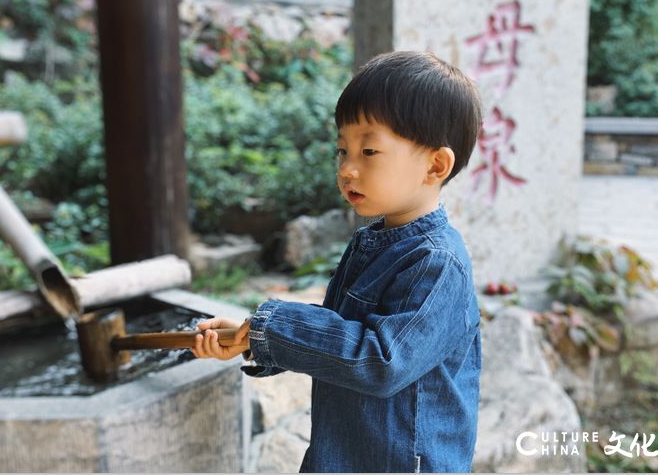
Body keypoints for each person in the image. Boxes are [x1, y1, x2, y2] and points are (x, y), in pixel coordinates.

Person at [191, 50, 484, 473]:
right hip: (343, 456)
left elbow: (381, 360)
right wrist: (252, 336)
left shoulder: (436, 264)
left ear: (435, 165)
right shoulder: (372, 242)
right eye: (342, 150)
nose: (347, 169)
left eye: (368, 151)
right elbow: (339, 337)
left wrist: (271, 328)